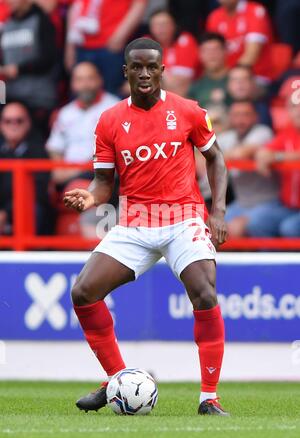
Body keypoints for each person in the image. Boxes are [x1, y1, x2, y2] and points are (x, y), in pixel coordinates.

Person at [64, 38, 229, 416]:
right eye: (136, 66)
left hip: (184, 217)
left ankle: (209, 397)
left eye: (151, 67)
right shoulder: (108, 120)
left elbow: (216, 159)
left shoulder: (188, 111)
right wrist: (90, 198)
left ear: (162, 70)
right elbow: (103, 181)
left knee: (204, 292)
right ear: (125, 71)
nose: (143, 73)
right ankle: (116, 379)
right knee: (83, 291)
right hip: (136, 221)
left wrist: (217, 212)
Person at [219, 100, 290, 237]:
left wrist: (219, 157)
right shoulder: (227, 137)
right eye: (236, 115)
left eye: (246, 115)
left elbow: (240, 154)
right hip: (241, 203)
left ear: (255, 117)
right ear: (230, 118)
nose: (241, 120)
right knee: (211, 226)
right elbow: (201, 158)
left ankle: (267, 257)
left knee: (243, 226)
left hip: (269, 202)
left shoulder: (263, 132)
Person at [47, 62, 119, 190]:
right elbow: (55, 148)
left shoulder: (114, 108)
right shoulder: (65, 113)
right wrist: (59, 169)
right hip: (68, 174)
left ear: (100, 80)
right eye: (79, 80)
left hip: (100, 174)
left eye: (90, 79)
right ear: (73, 84)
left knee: (78, 188)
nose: (85, 85)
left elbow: (116, 152)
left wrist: (74, 171)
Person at [65, 0, 148, 95]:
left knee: (112, 95)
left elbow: (139, 4)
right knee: (81, 95)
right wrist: (70, 46)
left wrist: (120, 35)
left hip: (110, 47)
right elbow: (74, 7)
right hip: (81, 45)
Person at [0, 0, 57, 136]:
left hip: (38, 98)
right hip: (12, 96)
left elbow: (49, 58)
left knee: (35, 143)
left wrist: (20, 69)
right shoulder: (7, 24)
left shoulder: (42, 20)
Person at [0, 102, 53, 235]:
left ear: (28, 123)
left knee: (33, 209)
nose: (13, 125)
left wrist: (6, 212)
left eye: (19, 121)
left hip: (25, 211)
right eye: (8, 121)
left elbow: (38, 192)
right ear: (1, 125)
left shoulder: (39, 152)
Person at [255, 96, 300, 237]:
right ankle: (269, 258)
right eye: (294, 107)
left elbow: (278, 155)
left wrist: (278, 157)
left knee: (290, 228)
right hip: (288, 205)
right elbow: (264, 151)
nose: (298, 111)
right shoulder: (288, 131)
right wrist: (264, 156)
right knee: (257, 222)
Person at [206, 0, 273, 85]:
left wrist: (227, 79)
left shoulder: (255, 11)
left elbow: (251, 56)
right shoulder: (214, 16)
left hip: (256, 77)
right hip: (226, 78)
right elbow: (211, 55)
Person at [149, 9, 200, 96]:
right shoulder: (146, 43)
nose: (161, 29)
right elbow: (133, 83)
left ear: (174, 26)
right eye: (157, 25)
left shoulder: (185, 41)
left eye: (164, 24)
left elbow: (181, 83)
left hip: (188, 94)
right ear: (151, 28)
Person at [188, 32, 228, 109]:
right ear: (200, 55)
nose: (211, 55)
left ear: (225, 51)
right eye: (206, 51)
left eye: (215, 50)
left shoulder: (238, 79)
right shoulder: (195, 87)